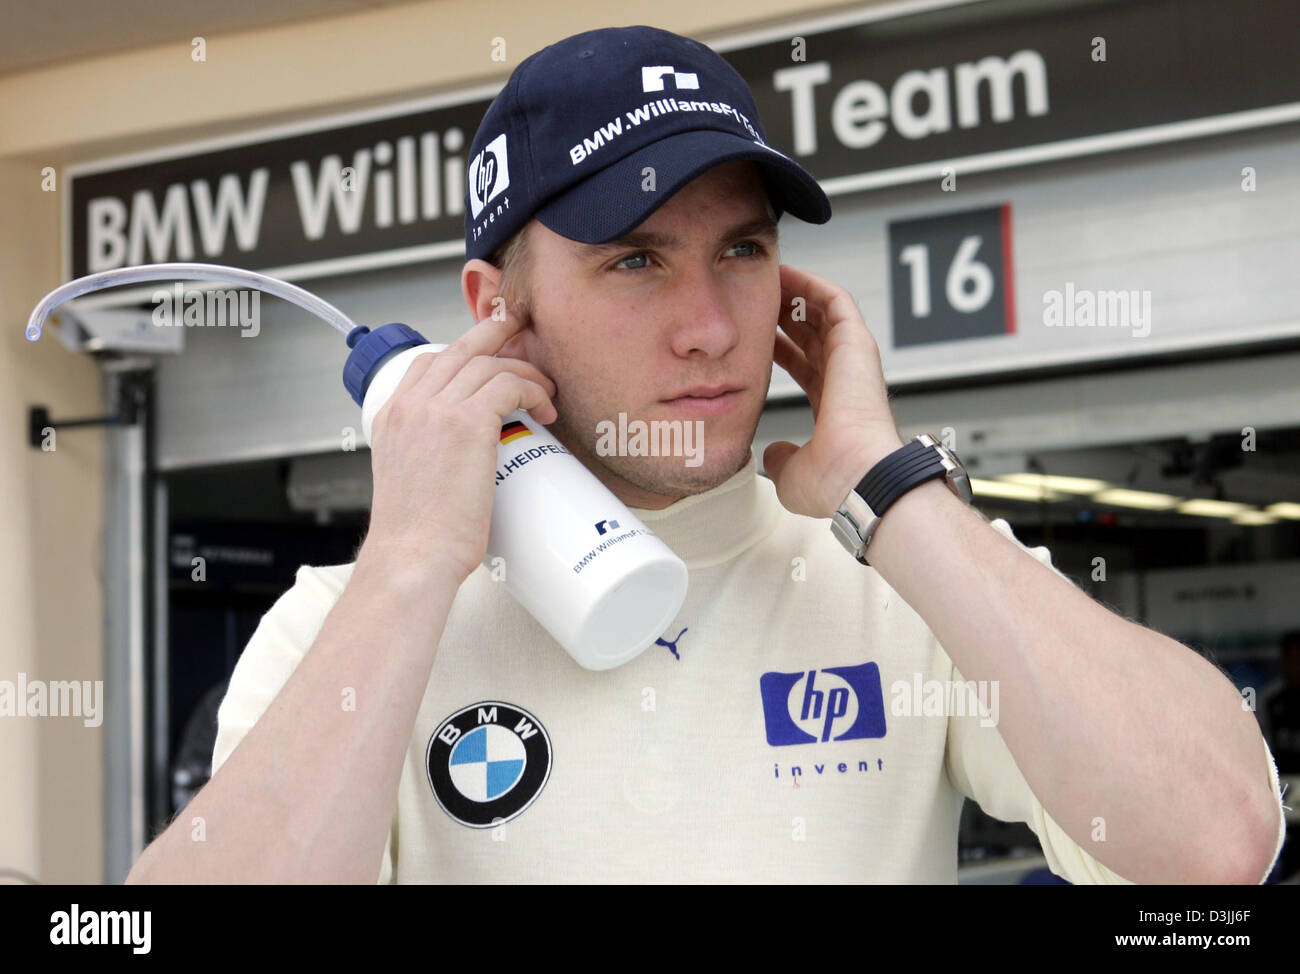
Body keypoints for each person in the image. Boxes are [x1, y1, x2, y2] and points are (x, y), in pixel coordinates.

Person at [125, 25, 1286, 884]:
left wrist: (890, 490)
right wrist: (417, 556)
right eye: (635, 259)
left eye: (740, 247)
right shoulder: (353, 619)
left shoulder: (899, 574)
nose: (714, 325)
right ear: (497, 307)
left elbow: (1215, 844)